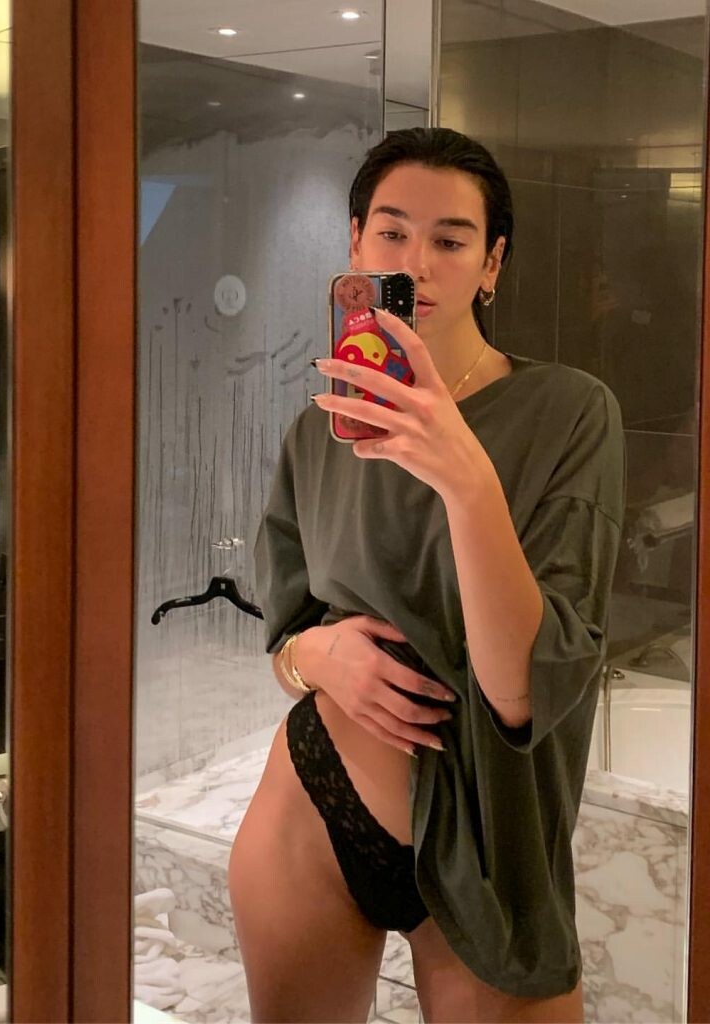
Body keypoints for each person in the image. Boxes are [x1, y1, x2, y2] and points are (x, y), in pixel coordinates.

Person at [230, 127, 625, 1023]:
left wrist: (466, 477)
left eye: (450, 240)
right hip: (311, 814)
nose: (417, 263)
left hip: (494, 851)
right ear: (356, 245)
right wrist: (316, 658)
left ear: (493, 264)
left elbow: (522, 691)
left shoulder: (570, 413)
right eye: (393, 232)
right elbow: (287, 639)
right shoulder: (321, 429)